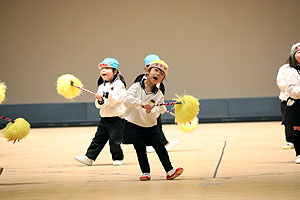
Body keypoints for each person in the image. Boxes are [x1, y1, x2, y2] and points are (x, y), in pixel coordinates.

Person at [123, 59, 183, 181]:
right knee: (140, 150)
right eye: (155, 70)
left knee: (160, 148)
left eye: (161, 74)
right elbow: (126, 99)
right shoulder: (136, 87)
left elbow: (157, 112)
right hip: (134, 125)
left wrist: (150, 112)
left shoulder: (159, 95)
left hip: (151, 126)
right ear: (147, 71)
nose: (157, 74)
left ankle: (170, 171)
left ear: (162, 79)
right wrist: (141, 103)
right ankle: (145, 172)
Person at [74, 58, 126, 166]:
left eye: (107, 68)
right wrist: (100, 99)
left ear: (115, 71)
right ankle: (89, 158)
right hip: (104, 118)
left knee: (114, 141)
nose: (103, 71)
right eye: (102, 68)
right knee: (98, 139)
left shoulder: (119, 84)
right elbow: (98, 105)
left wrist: (105, 95)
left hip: (117, 119)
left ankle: (117, 158)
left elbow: (117, 99)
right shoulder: (101, 86)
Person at [134, 54, 179, 153]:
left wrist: (160, 106)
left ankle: (159, 144)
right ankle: (153, 144)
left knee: (156, 125)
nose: (157, 72)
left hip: (152, 109)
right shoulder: (139, 79)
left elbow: (159, 97)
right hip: (141, 108)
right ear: (147, 68)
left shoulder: (160, 85)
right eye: (154, 68)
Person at [283, 42, 300, 164]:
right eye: (299, 52)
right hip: (297, 103)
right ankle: (299, 153)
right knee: (297, 129)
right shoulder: (292, 71)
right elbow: (290, 89)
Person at [277, 62, 294, 149]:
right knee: (288, 122)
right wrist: (293, 90)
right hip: (286, 99)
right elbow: (281, 83)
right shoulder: (284, 68)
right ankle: (290, 141)